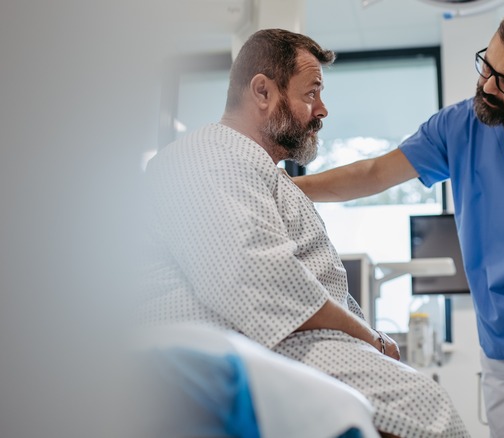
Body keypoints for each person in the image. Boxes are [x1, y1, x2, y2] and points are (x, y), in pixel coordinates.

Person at [294, 7, 504, 438]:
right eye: (487, 67)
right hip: (501, 343)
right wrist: (287, 186)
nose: (488, 86)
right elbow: (375, 173)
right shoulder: (459, 124)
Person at [141, 28, 470, 438]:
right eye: (311, 93)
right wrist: (372, 339)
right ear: (262, 92)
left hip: (288, 344)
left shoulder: (262, 173)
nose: (323, 109)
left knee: (422, 400)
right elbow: (259, 281)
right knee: (425, 408)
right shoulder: (211, 155)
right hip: (252, 348)